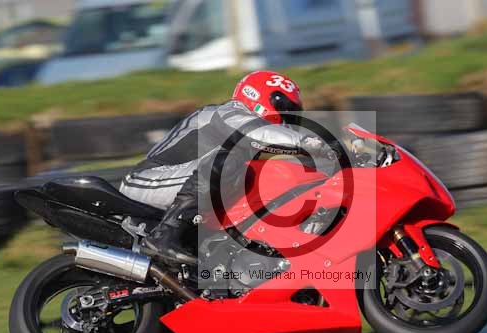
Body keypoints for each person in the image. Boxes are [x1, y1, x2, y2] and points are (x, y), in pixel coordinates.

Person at [119, 70, 333, 264]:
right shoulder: (226, 112)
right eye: (284, 108)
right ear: (257, 96)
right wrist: (315, 144)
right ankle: (165, 235)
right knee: (229, 161)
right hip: (145, 180)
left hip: (177, 185)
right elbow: (255, 131)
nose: (288, 118)